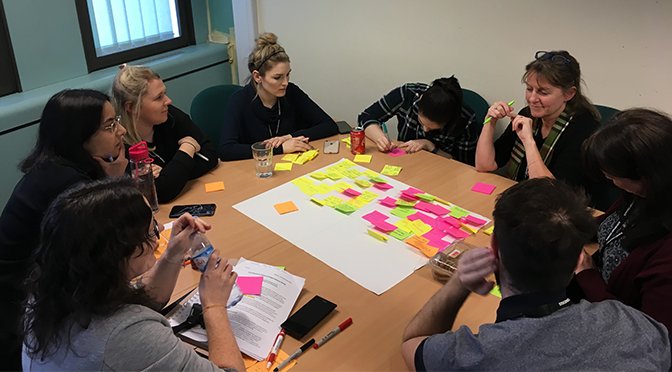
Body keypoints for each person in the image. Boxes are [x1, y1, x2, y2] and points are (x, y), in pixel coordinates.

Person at [401, 178, 671, 371]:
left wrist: (459, 282)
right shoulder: (636, 324)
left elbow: (412, 343)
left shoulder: (476, 355)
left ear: (494, 247)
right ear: (579, 255)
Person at [22, 177, 245, 371]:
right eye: (152, 232)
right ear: (119, 253)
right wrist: (213, 306)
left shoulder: (52, 291)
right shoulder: (125, 335)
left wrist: (175, 252)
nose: (157, 240)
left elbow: (144, 300)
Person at [0, 89, 127, 371]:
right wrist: (115, 185)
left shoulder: (56, 168)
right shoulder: (67, 186)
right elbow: (115, 250)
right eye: (109, 126)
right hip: (19, 320)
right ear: (79, 138)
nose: (121, 130)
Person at [573, 108, 672, 332]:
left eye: (612, 175)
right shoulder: (642, 195)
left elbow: (647, 333)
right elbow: (612, 225)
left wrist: (588, 277)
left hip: (619, 331)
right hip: (594, 299)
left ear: (647, 175)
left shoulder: (666, 257)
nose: (609, 180)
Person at [475, 51, 600, 193]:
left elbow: (552, 193)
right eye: (529, 89)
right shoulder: (528, 115)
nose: (532, 99)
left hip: (561, 207)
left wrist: (529, 141)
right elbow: (484, 165)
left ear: (569, 94)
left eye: (543, 92)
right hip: (524, 198)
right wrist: (490, 122)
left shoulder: (584, 129)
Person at [219, 33, 338, 161]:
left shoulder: (291, 92)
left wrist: (288, 137)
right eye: (277, 77)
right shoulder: (239, 100)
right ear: (257, 76)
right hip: (256, 170)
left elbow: (329, 125)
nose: (285, 82)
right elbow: (226, 150)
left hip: (290, 167)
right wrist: (279, 149)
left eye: (287, 75)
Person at [112, 64, 218, 203]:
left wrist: (170, 173)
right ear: (131, 107)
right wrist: (187, 148)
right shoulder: (119, 146)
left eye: (164, 94)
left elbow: (209, 156)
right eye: (158, 97)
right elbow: (161, 192)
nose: (168, 101)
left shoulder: (169, 115)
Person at [357, 77, 479, 165]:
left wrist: (429, 145)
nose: (425, 130)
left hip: (441, 174)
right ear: (421, 99)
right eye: (421, 122)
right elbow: (366, 116)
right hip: (404, 165)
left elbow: (464, 165)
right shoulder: (407, 94)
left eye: (432, 129)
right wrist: (380, 138)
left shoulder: (466, 118)